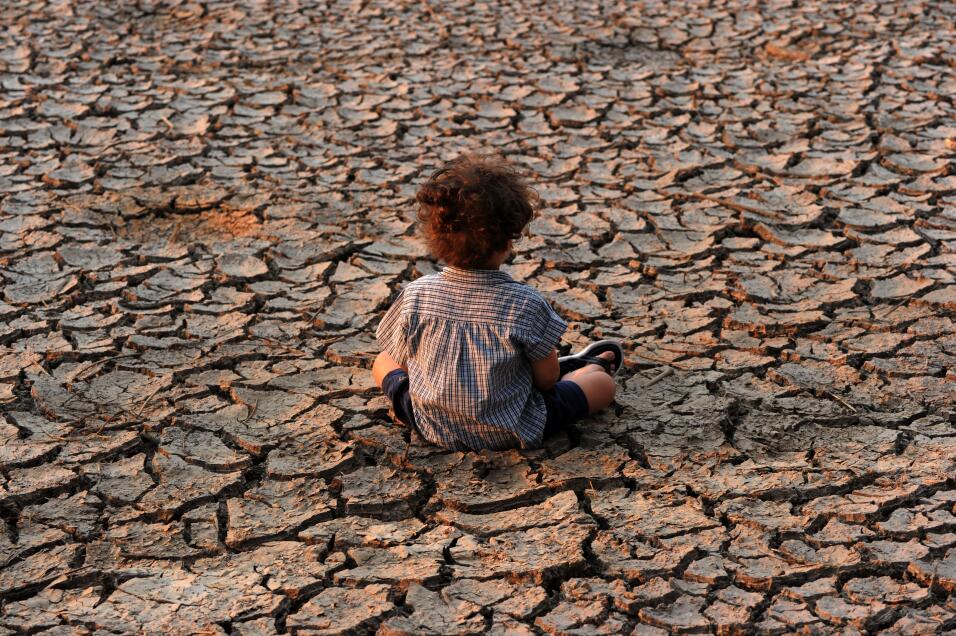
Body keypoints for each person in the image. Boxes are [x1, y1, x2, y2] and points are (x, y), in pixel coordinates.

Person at [371, 152, 619, 451]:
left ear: (435, 237)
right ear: (508, 240)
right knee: (601, 384)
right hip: (512, 427)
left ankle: (570, 367)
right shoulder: (524, 303)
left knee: (382, 361)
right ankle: (584, 367)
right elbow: (547, 381)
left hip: (431, 424)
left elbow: (402, 359)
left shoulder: (416, 294)